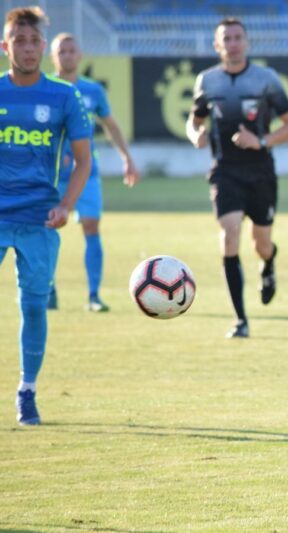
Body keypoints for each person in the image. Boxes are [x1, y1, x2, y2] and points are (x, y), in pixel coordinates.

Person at [1, 6, 92, 424]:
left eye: (33, 40)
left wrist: (66, 205)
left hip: (40, 219)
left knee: (34, 308)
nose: (27, 48)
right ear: (5, 47)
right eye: (18, 40)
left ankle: (27, 390)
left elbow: (83, 161)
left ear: (43, 46)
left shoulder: (63, 95)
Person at [186, 17, 288, 338]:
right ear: (217, 45)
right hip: (224, 171)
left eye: (238, 37)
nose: (233, 43)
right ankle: (240, 320)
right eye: (227, 38)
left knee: (261, 244)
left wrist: (260, 141)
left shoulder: (266, 80)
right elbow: (194, 120)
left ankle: (269, 263)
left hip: (260, 172)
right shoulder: (207, 81)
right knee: (230, 234)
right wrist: (195, 134)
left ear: (247, 42)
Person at [48, 32, 140, 312]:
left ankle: (94, 295)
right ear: (53, 57)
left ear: (80, 55)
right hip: (51, 174)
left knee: (91, 225)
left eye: (71, 50)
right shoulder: (45, 88)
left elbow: (111, 125)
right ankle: (48, 290)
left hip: (86, 170)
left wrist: (127, 158)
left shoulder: (92, 91)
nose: (67, 56)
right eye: (61, 51)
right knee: (46, 228)